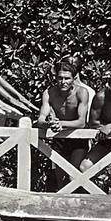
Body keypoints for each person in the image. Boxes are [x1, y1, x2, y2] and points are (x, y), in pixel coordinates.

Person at [37, 60, 90, 189]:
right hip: (59, 139)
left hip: (77, 138)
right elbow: (40, 120)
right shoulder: (50, 93)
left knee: (74, 178)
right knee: (60, 182)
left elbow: (82, 122)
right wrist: (49, 124)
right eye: (60, 78)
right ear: (55, 78)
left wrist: (62, 123)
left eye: (67, 78)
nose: (63, 81)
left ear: (74, 78)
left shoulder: (81, 92)